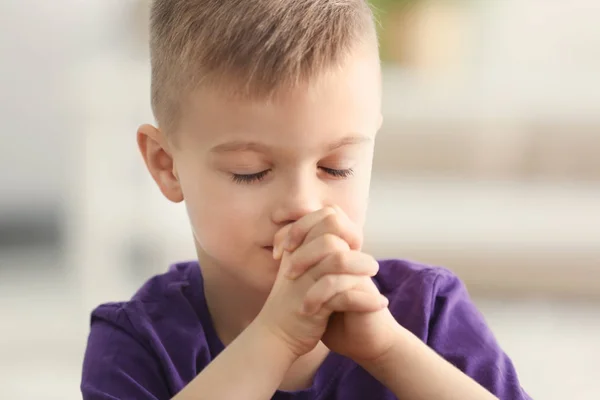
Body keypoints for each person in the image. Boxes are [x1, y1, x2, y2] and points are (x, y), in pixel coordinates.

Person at [81, 1, 531, 399]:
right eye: (250, 171)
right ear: (167, 164)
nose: (302, 203)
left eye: (336, 166)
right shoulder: (137, 343)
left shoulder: (428, 312)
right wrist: (275, 337)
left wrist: (391, 350)